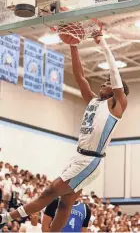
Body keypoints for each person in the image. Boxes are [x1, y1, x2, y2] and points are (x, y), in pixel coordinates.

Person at [0, 34, 129, 232]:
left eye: (108, 82)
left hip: (90, 160)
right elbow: (80, 77)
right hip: (78, 156)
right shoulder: (94, 101)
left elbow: (114, 72)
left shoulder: (117, 106)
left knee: (51, 191)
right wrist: (74, 45)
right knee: (65, 203)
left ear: (116, 90)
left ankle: (5, 217)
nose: (104, 83)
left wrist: (102, 43)